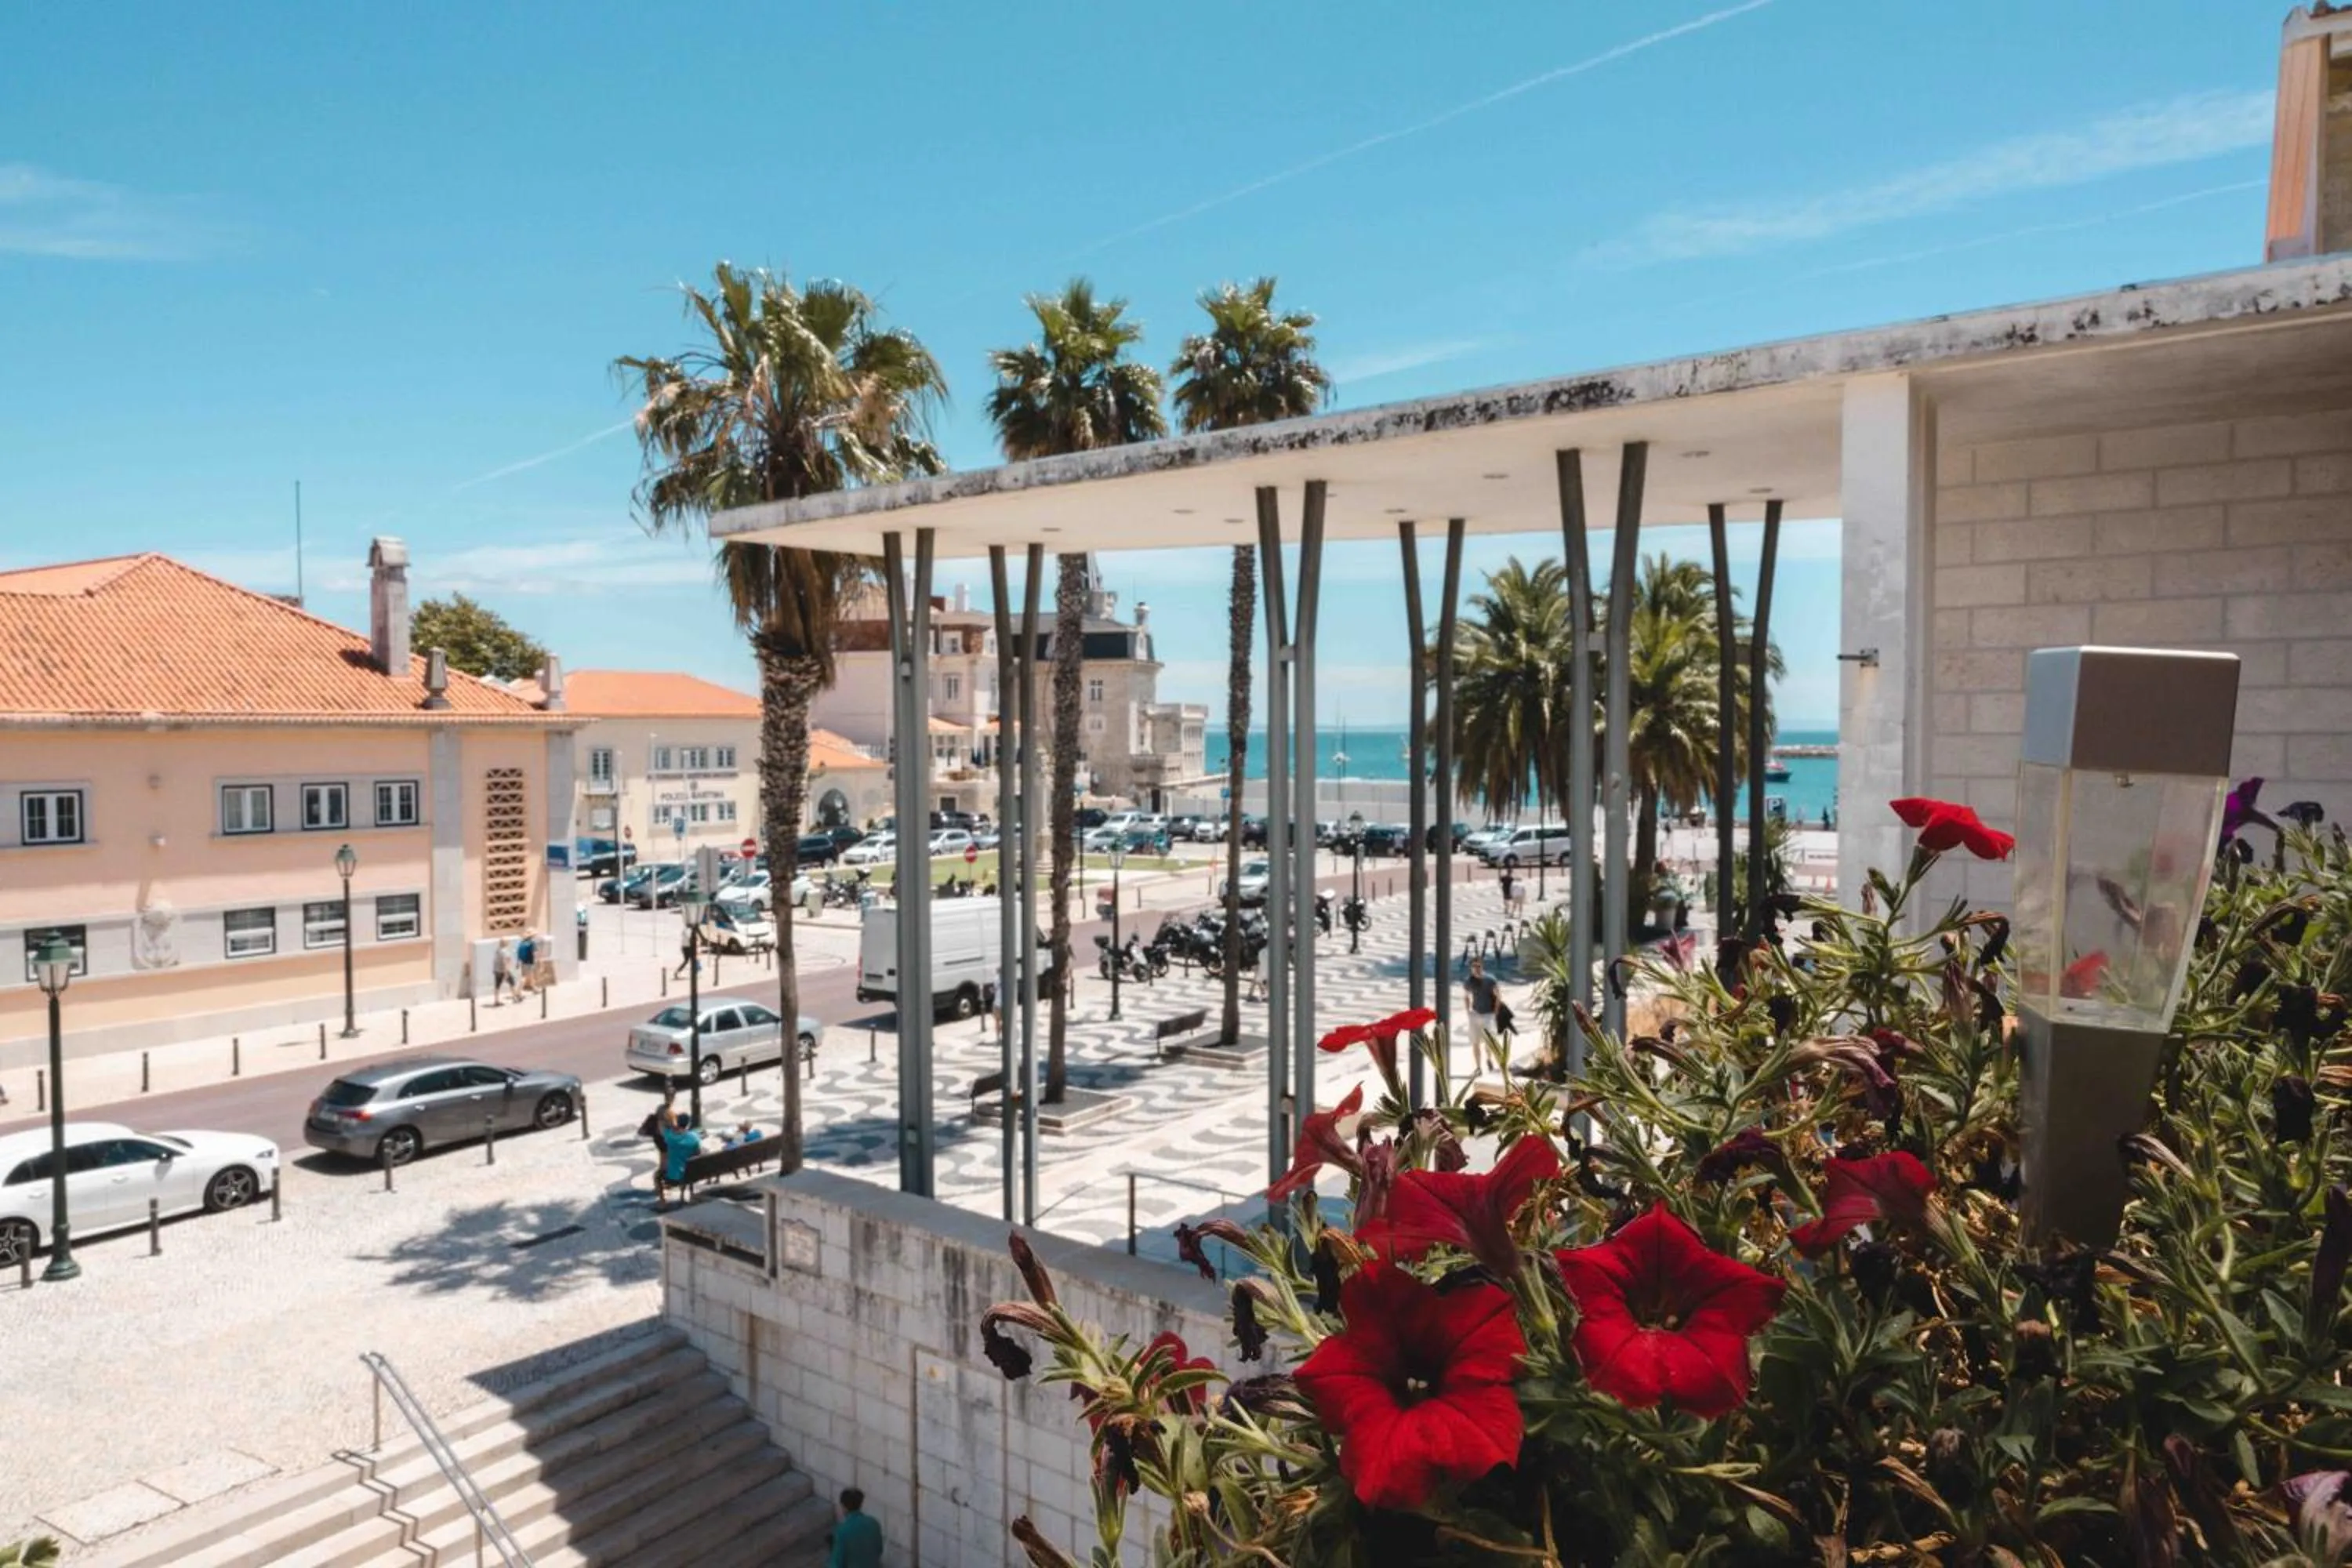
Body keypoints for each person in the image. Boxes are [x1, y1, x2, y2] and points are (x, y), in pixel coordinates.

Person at [655, 1109, 701, 1205]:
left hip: (673, 1176)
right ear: (688, 1124)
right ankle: (690, 1194)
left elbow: (661, 1127)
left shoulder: (670, 1137)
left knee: (657, 1176)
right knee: (689, 1164)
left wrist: (666, 1118)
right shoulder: (694, 1137)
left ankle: (662, 1201)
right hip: (692, 1174)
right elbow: (698, 1153)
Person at [828, 1487, 883, 1568]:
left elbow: (836, 1563)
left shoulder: (842, 1531)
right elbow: (879, 1549)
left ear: (844, 1507)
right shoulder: (874, 1523)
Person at [1464, 955, 1501, 1058]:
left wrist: (1495, 1013)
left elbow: (1498, 996)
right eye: (1474, 966)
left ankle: (1489, 1059)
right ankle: (1478, 1067)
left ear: (1482, 966)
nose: (1476, 969)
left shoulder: (1491, 980)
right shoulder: (1469, 981)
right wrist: (1468, 1011)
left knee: (1489, 1040)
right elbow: (1466, 996)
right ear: (1471, 968)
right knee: (1475, 1042)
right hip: (1475, 1014)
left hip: (1488, 1014)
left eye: (1478, 966)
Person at [492, 938, 517, 1004]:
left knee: (497, 985)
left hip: (497, 970)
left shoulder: (498, 950)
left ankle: (496, 1000)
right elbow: (505, 962)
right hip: (503, 970)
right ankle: (515, 997)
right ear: (506, 943)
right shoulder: (505, 951)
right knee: (512, 982)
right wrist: (506, 972)